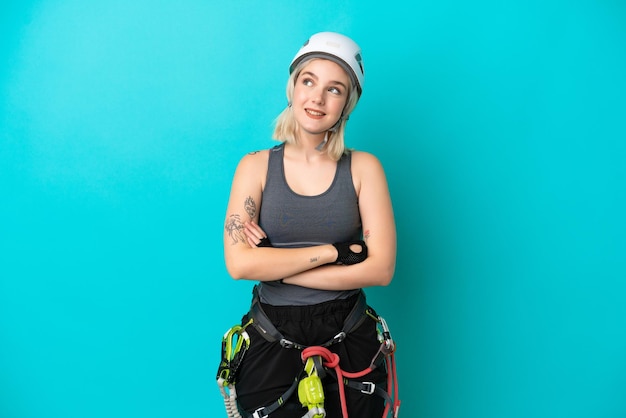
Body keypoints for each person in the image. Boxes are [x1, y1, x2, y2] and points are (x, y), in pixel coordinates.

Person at [221, 32, 397, 418]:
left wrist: (276, 265)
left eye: (334, 89)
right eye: (308, 81)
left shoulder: (364, 168)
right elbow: (238, 265)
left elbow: (381, 269)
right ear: (293, 87)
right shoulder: (255, 167)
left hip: (348, 334)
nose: (317, 98)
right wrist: (334, 254)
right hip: (270, 337)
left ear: (347, 104)